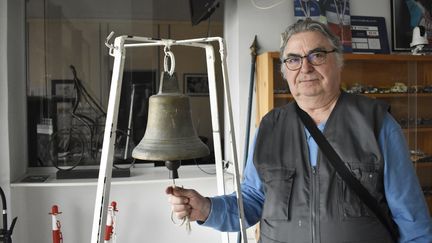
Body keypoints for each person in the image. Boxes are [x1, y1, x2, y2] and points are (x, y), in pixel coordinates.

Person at [166, 19, 432, 242]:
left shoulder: (378, 124)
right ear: (284, 71)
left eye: (316, 55)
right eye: (293, 59)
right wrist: (206, 208)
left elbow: (412, 220)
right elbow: (252, 200)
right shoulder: (269, 128)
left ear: (337, 62)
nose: (305, 68)